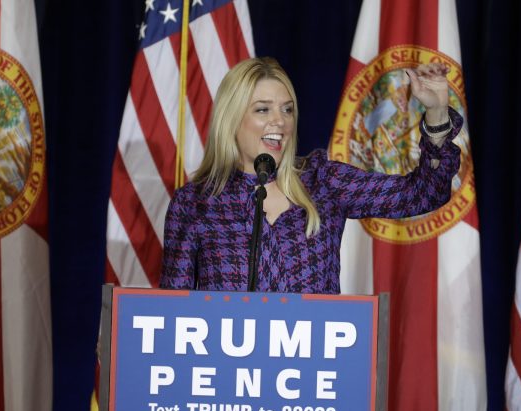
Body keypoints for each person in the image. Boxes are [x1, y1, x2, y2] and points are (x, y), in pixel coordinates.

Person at [160, 57, 461, 294]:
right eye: (263, 110)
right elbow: (173, 311)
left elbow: (424, 193)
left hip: (312, 371)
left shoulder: (323, 182)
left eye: (287, 110)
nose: (280, 121)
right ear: (232, 119)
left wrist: (437, 113)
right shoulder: (195, 203)